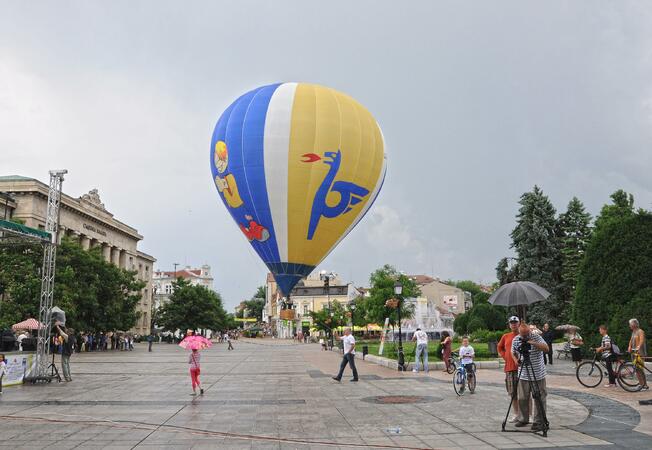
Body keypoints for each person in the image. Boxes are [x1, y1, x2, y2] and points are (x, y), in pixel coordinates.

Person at [511, 322, 549, 432]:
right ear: (519, 332)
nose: (525, 336)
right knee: (522, 398)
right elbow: (513, 352)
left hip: (538, 374)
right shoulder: (516, 339)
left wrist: (533, 343)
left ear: (529, 331)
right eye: (523, 334)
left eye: (527, 333)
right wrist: (515, 360)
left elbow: (546, 349)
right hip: (523, 374)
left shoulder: (536, 337)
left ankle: (538, 422)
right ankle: (523, 419)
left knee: (539, 398)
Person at [498, 316, 521, 422]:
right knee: (513, 393)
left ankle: (528, 414)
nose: (513, 324)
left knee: (526, 393)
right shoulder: (506, 336)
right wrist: (505, 356)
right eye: (512, 323)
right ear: (509, 324)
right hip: (510, 368)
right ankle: (516, 414)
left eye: (515, 322)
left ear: (519, 323)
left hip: (522, 368)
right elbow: (500, 347)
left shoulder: (523, 335)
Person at [628, 318, 649, 391]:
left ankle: (644, 385)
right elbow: (631, 340)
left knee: (640, 369)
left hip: (640, 353)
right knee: (636, 369)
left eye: (630, 324)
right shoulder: (633, 332)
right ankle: (641, 384)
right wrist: (629, 346)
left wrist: (638, 347)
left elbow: (642, 340)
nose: (629, 326)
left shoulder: (640, 331)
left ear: (634, 324)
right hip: (634, 353)